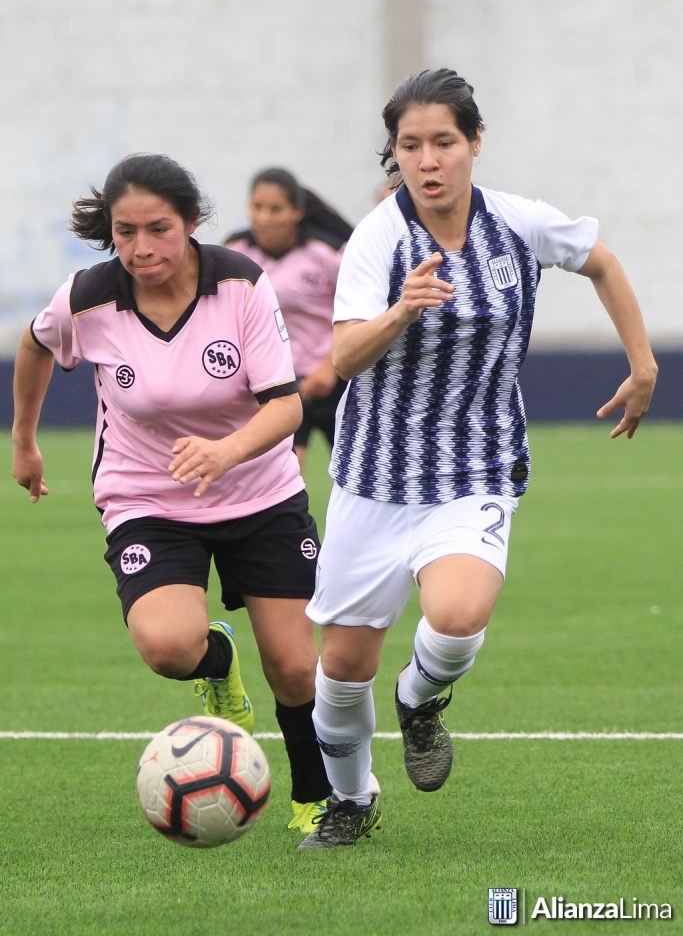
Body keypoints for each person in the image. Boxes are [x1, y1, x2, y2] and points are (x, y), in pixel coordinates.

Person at [298, 68, 658, 850]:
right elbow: (344, 357)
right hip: (373, 478)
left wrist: (641, 363)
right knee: (342, 671)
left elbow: (600, 262)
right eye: (410, 146)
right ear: (395, 152)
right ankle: (350, 799)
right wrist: (400, 310)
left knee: (458, 617)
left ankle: (419, 699)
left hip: (477, 466)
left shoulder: (517, 223)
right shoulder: (378, 239)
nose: (427, 161)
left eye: (443, 142)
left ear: (474, 143)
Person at [11, 152, 331, 834]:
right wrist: (24, 440)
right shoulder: (88, 297)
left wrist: (226, 451)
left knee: (295, 667)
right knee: (166, 647)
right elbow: (35, 345)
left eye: (158, 228)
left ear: (189, 222)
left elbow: (285, 407)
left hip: (260, 492)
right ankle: (216, 660)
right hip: (147, 498)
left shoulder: (241, 283)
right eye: (124, 232)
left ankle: (315, 800)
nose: (141, 247)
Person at [224, 167, 353, 471]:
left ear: (297, 211)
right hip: (277, 386)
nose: (264, 217)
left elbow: (358, 312)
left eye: (276, 209)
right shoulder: (235, 254)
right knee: (286, 475)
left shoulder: (326, 254)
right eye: (257, 207)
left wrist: (331, 365)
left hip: (335, 382)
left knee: (355, 474)